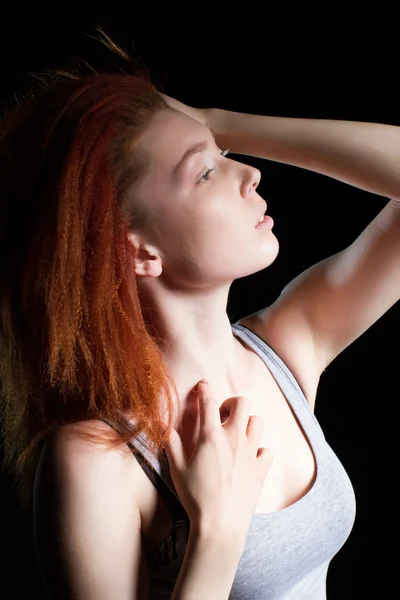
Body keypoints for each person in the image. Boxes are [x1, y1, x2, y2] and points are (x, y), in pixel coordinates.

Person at [1, 33, 399, 599]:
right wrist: (215, 535)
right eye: (204, 173)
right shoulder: (95, 462)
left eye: (226, 157)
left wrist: (220, 122)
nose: (250, 175)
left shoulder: (285, 350)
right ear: (136, 251)